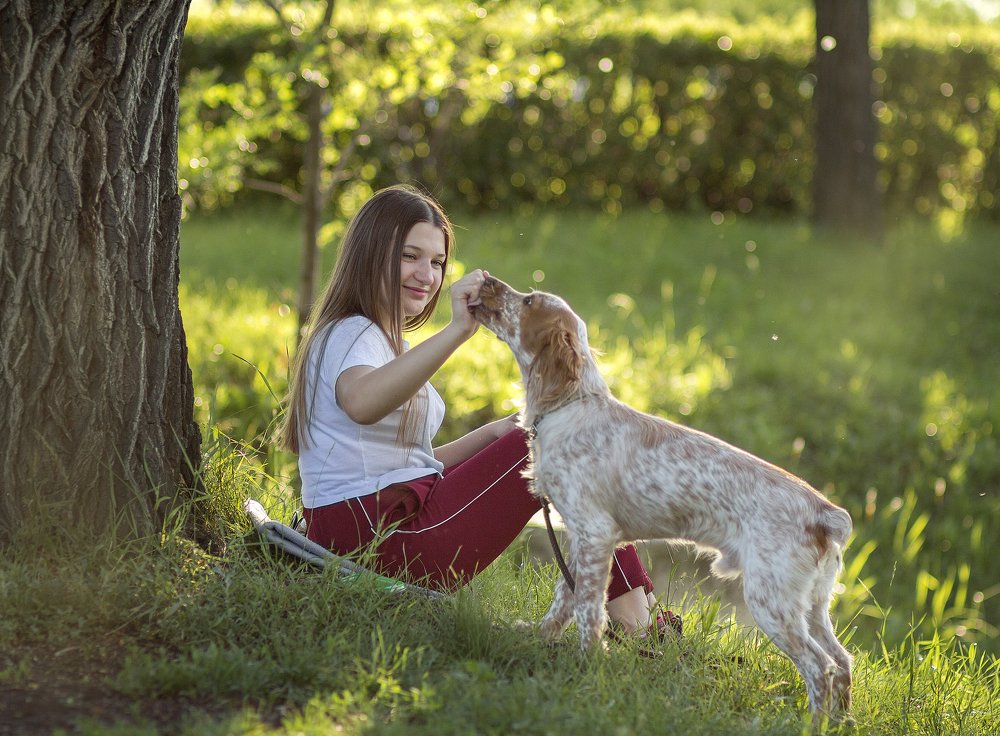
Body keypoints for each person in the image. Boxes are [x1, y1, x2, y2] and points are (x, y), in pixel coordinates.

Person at [278, 184, 677, 640]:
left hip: (378, 526)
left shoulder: (382, 341)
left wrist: (489, 436)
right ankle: (637, 622)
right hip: (378, 537)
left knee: (549, 443)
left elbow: (403, 465)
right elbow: (362, 403)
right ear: (370, 253)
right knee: (560, 444)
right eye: (409, 256)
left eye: (436, 262)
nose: (426, 275)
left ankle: (636, 611)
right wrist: (457, 332)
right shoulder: (351, 333)